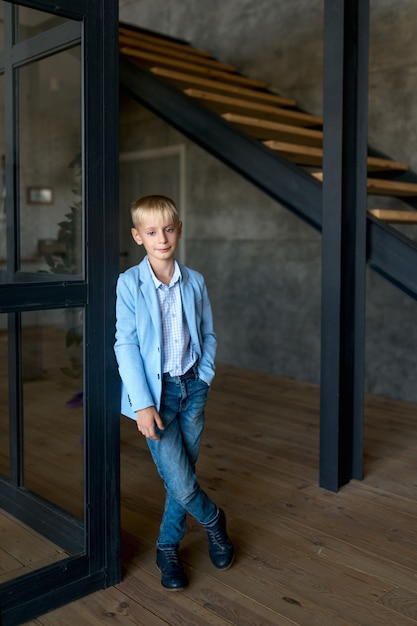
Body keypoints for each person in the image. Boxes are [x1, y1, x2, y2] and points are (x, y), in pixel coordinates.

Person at [114, 194, 234, 591]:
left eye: (168, 229)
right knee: (181, 481)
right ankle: (214, 520)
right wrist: (142, 404)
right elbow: (125, 345)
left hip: (193, 389)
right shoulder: (129, 284)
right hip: (157, 397)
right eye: (151, 232)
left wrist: (204, 376)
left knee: (178, 479)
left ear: (178, 230)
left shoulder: (195, 281)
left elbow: (208, 333)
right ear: (138, 236)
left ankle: (166, 547)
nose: (161, 238)